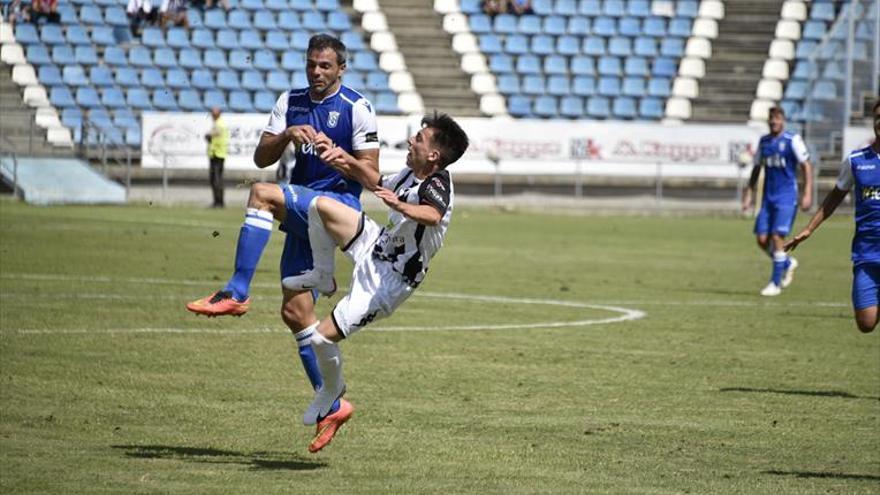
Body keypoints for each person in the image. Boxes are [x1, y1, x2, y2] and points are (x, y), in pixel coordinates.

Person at [186, 34, 379, 427]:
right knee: (295, 312)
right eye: (311, 64)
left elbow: (372, 176)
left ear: (341, 68)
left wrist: (339, 157)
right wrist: (288, 134)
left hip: (335, 209)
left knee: (260, 195)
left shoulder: (357, 108)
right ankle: (332, 403)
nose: (316, 72)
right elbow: (261, 157)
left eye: (325, 66)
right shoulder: (290, 102)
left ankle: (237, 290)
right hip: (302, 212)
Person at [296, 111, 469, 453]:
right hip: (378, 247)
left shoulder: (437, 184)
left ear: (433, 155)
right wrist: (340, 156)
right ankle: (322, 274)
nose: (411, 141)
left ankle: (332, 393)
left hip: (389, 282)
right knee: (320, 206)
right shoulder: (409, 172)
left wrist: (400, 206)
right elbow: (375, 180)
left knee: (319, 339)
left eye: (418, 139)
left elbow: (433, 215)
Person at [785, 101, 880, 333]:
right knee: (866, 323)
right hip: (866, 252)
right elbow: (835, 196)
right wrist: (809, 228)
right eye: (878, 117)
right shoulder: (856, 160)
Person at [741, 106, 813, 296]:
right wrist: (749, 192)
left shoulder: (792, 140)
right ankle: (787, 263)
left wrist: (807, 193)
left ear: (783, 120)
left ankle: (775, 284)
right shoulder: (764, 142)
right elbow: (757, 168)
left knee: (776, 237)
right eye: (771, 118)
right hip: (768, 198)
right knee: (761, 239)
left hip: (786, 197)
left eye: (778, 118)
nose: (774, 121)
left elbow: (806, 166)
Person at [206, 107, 229, 208]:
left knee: (216, 179)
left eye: (213, 113)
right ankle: (218, 201)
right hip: (216, 154)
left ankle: (218, 202)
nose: (211, 115)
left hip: (218, 155)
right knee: (216, 179)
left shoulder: (219, 123)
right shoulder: (218, 123)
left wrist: (208, 135)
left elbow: (216, 133)